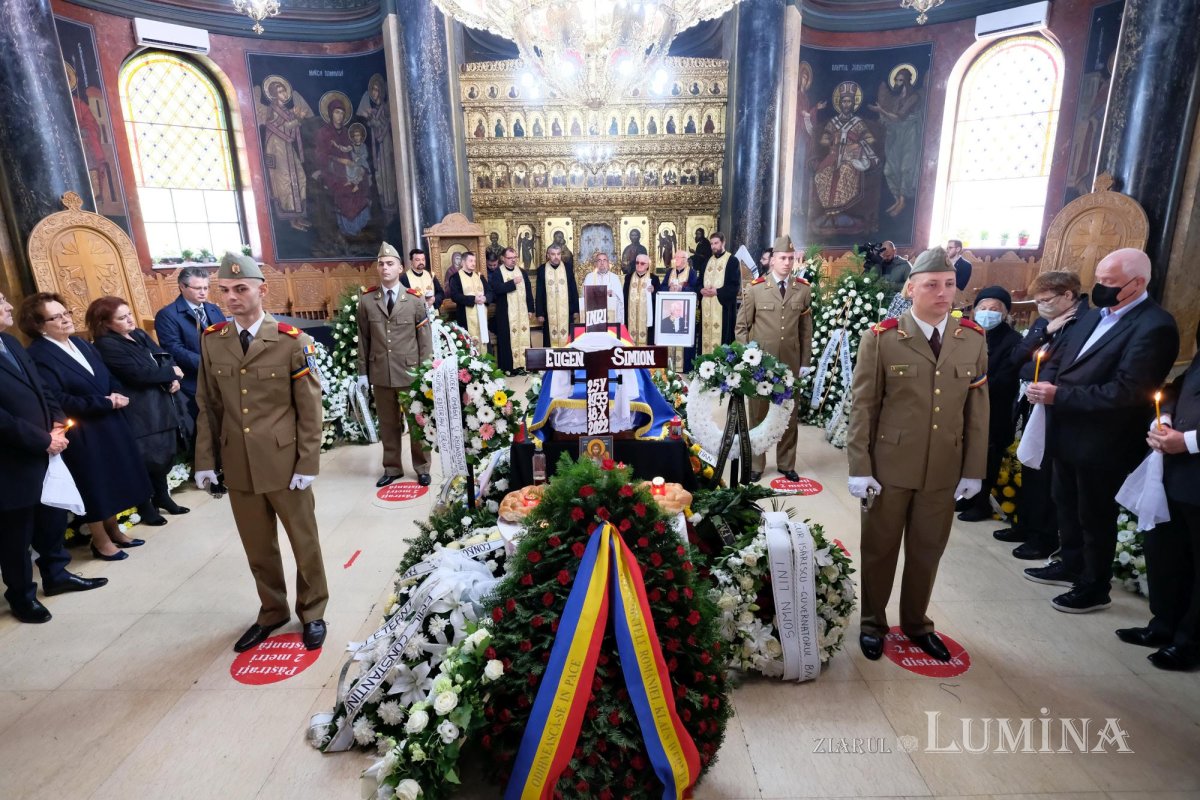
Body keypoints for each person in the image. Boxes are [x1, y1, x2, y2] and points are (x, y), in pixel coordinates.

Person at [848, 246, 988, 664]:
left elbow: (977, 410)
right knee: (879, 549)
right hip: (889, 468)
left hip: (943, 469)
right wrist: (860, 467)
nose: (943, 293)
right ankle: (873, 622)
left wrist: (973, 470)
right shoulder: (882, 338)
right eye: (932, 285)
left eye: (950, 285)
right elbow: (863, 408)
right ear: (911, 289)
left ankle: (916, 623)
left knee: (928, 551)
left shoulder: (972, 340)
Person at [1026, 248, 1179, 613]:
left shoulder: (1155, 325)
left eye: (1108, 283)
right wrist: (1043, 384)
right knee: (1066, 501)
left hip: (1105, 438)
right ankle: (1071, 563)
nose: (1098, 288)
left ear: (1137, 283)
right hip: (1065, 429)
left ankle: (1095, 585)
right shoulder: (1092, 316)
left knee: (1094, 514)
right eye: (1097, 279)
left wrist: (1059, 395)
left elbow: (1128, 390)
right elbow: (1060, 359)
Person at [193, 252, 328, 652]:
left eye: (240, 289)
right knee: (258, 546)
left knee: (304, 542)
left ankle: (313, 611)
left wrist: (308, 462)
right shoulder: (213, 341)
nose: (231, 297)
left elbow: (309, 409)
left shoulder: (292, 341)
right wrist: (205, 460)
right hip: (239, 464)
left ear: (261, 290)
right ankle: (272, 611)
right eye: (225, 291)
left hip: (285, 463)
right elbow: (209, 405)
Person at [0, 291, 107, 623]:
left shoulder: (12, 343)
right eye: (1, 302)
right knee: (15, 535)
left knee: (52, 517)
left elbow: (41, 389)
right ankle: (21, 595)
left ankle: (57, 575)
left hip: (46, 447)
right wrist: (41, 439)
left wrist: (59, 423)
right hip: (11, 458)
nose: (8, 307)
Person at [22, 293, 151, 560]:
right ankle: (100, 540)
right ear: (38, 325)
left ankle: (114, 530)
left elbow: (106, 374)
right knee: (94, 484)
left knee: (113, 477)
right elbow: (58, 399)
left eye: (66, 313)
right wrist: (105, 402)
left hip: (109, 420)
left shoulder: (80, 343)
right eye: (56, 317)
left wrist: (115, 392)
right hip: (83, 428)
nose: (66, 319)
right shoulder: (39, 354)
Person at [995, 271, 1088, 559]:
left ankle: (1044, 536)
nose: (1041, 306)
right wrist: (1043, 332)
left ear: (1068, 296)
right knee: (1027, 465)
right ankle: (1025, 523)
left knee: (1047, 474)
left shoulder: (1084, 323)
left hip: (1056, 407)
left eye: (1046, 299)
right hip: (1029, 400)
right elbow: (1017, 358)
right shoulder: (1043, 323)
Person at [1132, 322, 1200, 670]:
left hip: (1191, 461)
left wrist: (1187, 441)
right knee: (1166, 554)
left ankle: (1189, 644)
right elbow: (1181, 385)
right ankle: (1163, 625)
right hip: (1176, 473)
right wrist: (1166, 416)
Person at [90, 296, 191, 525]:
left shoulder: (138, 334)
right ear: (105, 323)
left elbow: (163, 356)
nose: (129, 320)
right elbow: (138, 374)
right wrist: (173, 374)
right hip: (140, 410)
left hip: (161, 403)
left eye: (129, 314)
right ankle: (146, 507)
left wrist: (172, 376)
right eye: (121, 318)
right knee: (146, 459)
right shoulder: (106, 344)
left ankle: (163, 497)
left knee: (164, 454)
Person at [735, 235, 814, 483]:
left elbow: (805, 330)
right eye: (782, 258)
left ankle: (786, 463)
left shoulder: (802, 289)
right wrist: (748, 358)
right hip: (761, 365)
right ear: (772, 261)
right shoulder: (756, 289)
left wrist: (805, 362)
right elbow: (741, 327)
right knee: (758, 413)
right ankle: (757, 463)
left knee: (788, 414)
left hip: (790, 363)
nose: (787, 263)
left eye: (791, 258)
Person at [357, 242, 433, 488]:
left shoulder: (414, 301)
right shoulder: (368, 301)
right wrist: (362, 373)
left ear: (400, 268)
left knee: (417, 423)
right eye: (381, 264)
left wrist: (425, 371)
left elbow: (425, 340)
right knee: (388, 425)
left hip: (410, 373)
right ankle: (392, 467)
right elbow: (364, 339)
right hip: (381, 373)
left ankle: (422, 467)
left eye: (390, 263)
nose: (385, 268)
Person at [956, 286, 1023, 522]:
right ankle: (966, 496)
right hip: (966, 406)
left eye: (994, 309)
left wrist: (969, 386)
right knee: (966, 452)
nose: (987, 313)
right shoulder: (969, 333)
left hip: (995, 408)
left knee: (988, 456)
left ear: (1004, 313)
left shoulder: (1013, 340)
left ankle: (982, 502)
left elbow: (1005, 378)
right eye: (983, 308)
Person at [154, 266, 226, 423]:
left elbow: (227, 338)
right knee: (204, 428)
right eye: (197, 288)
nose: (203, 292)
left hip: (222, 377)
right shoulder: (167, 315)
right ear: (182, 286)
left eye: (206, 288)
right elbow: (174, 349)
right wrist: (208, 364)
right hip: (193, 381)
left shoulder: (213, 309)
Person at [490, 246, 533, 374]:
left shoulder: (522, 272)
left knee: (523, 336)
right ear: (503, 259)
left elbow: (529, 292)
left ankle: (525, 365)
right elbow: (496, 289)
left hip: (522, 313)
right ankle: (510, 368)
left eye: (515, 257)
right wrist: (512, 283)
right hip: (506, 314)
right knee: (507, 340)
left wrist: (530, 309)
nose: (513, 260)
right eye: (510, 258)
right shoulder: (498, 272)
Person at [698, 232, 741, 353]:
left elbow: (734, 286)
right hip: (707, 310)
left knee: (723, 342)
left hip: (723, 310)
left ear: (723, 243)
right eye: (711, 244)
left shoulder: (732, 261)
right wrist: (701, 289)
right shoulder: (706, 262)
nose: (713, 246)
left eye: (716, 243)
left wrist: (717, 291)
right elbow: (698, 283)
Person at [534, 244, 578, 348]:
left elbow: (573, 289)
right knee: (549, 339)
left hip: (567, 311)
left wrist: (576, 309)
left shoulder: (567, 267)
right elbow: (539, 292)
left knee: (568, 338)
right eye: (553, 254)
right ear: (548, 255)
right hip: (548, 313)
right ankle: (551, 362)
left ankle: (568, 361)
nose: (556, 257)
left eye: (558, 254)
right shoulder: (542, 269)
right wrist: (540, 313)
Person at [664, 249, 700, 371]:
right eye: (675, 258)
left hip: (685, 313)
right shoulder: (670, 272)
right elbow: (662, 286)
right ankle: (669, 367)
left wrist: (682, 289)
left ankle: (686, 368)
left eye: (678, 258)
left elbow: (695, 288)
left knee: (684, 338)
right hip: (669, 311)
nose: (675, 260)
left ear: (685, 260)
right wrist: (669, 288)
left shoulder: (692, 272)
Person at [448, 251, 492, 350]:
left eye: (474, 261)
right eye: (471, 261)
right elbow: (455, 296)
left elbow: (490, 292)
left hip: (482, 318)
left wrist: (485, 298)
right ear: (463, 262)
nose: (473, 263)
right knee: (469, 346)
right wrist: (473, 299)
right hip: (465, 317)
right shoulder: (455, 278)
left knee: (484, 346)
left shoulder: (479, 277)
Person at [624, 253, 659, 346]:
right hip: (630, 318)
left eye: (642, 263)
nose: (639, 265)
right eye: (637, 262)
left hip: (647, 320)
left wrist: (653, 291)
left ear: (647, 265)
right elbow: (624, 297)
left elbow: (658, 299)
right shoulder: (628, 278)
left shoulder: (654, 279)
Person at [580, 253, 624, 325]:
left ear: (608, 263)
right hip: (593, 315)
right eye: (599, 260)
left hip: (610, 315)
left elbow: (621, 300)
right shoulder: (589, 277)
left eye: (604, 260)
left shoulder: (615, 278)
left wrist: (612, 294)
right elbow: (584, 296)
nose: (602, 263)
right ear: (596, 263)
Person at [399, 248, 444, 313]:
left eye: (423, 259)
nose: (421, 262)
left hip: (433, 312)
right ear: (411, 261)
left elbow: (440, 293)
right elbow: (402, 300)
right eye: (417, 260)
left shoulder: (430, 275)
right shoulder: (404, 278)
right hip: (415, 315)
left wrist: (433, 300)